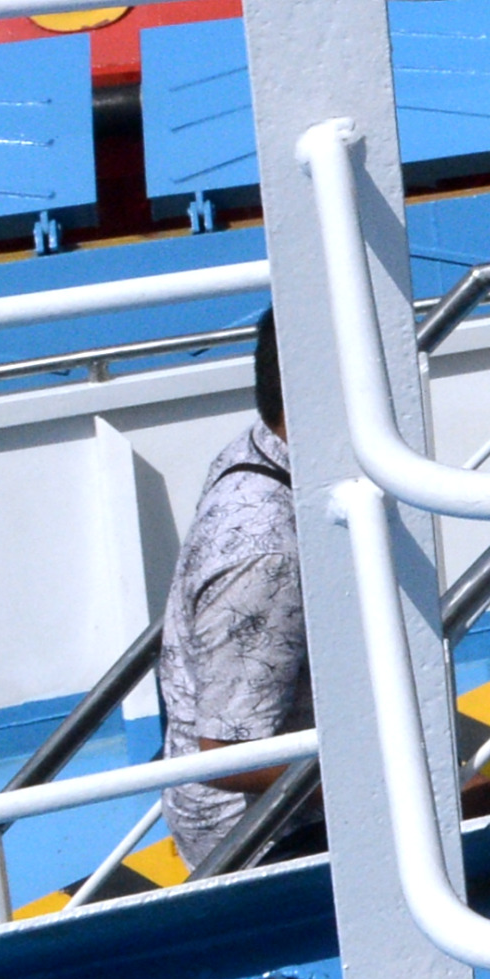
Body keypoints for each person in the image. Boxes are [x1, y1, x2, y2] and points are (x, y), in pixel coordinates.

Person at [156, 320, 311, 870]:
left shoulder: (253, 452)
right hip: (260, 838)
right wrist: (424, 794)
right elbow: (227, 757)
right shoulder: (269, 553)